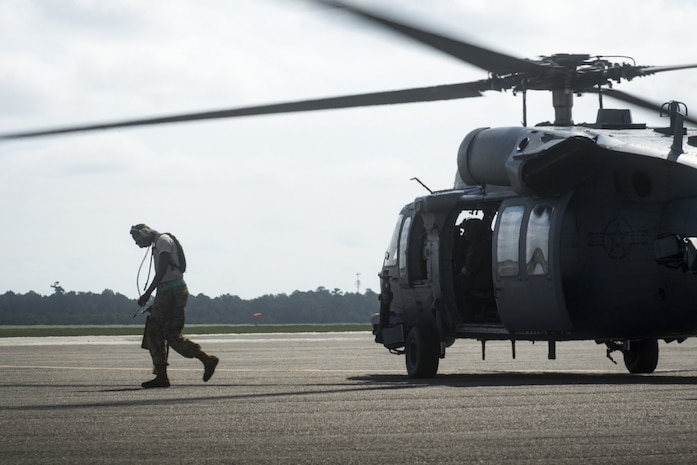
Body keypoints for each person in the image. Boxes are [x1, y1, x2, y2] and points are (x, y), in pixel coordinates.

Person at [130, 224, 219, 388]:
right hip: (168, 292)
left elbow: (163, 270)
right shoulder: (159, 243)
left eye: (137, 239)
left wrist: (148, 292)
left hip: (171, 292)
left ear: (145, 233)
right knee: (162, 334)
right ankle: (200, 361)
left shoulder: (163, 241)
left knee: (161, 334)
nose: (137, 244)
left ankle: (204, 360)